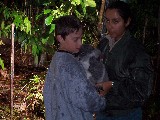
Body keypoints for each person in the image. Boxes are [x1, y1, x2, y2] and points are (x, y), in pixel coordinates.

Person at [96, 1, 154, 120]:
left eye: (115, 21)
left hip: (126, 114)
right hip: (103, 111)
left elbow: (142, 92)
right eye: (107, 20)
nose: (109, 25)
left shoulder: (136, 51)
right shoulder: (104, 44)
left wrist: (112, 85)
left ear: (127, 22)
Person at [43, 15, 107, 120]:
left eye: (81, 38)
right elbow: (87, 99)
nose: (80, 44)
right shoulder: (70, 65)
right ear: (60, 38)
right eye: (75, 39)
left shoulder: (56, 59)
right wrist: (102, 99)